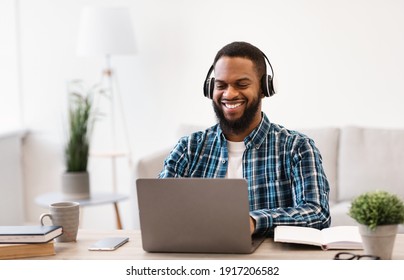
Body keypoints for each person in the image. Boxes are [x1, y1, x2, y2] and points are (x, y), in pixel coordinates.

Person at [159, 41, 331, 236]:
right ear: (210, 90)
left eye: (242, 84)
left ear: (265, 88)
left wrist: (253, 221)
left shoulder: (297, 147)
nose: (229, 94)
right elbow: (159, 211)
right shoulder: (188, 148)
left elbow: (318, 213)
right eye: (221, 85)